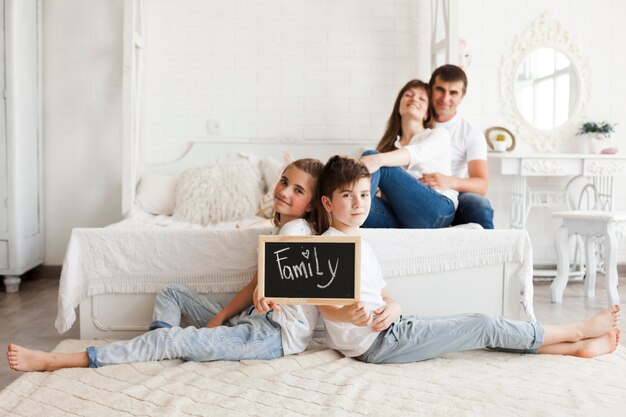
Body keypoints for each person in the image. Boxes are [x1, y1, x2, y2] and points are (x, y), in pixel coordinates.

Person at [7, 158, 325, 372]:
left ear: (312, 203)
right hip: (254, 317)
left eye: (297, 190)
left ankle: (60, 360)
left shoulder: (294, 231)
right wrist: (222, 315)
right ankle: (159, 345)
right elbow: (260, 282)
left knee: (172, 338)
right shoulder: (282, 228)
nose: (283, 191)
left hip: (270, 334)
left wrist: (264, 297)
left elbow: (282, 279)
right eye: (284, 181)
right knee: (172, 293)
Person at [317, 155, 621, 364]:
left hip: (392, 327)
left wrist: (393, 306)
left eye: (365, 194)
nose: (359, 203)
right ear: (328, 202)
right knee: (481, 324)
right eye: (347, 196)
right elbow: (328, 306)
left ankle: (573, 348)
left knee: (472, 326)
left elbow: (382, 294)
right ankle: (575, 331)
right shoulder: (329, 245)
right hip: (377, 344)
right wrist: (350, 316)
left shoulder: (362, 243)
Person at [360, 79, 457, 228]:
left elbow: (416, 153)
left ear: (427, 113)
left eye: (422, 98)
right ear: (399, 107)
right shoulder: (388, 147)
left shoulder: (438, 135)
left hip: (437, 208)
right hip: (404, 215)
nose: (414, 99)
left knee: (374, 158)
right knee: (354, 210)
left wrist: (378, 159)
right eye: (408, 95)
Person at [425, 64, 494, 229]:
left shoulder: (470, 132)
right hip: (418, 191)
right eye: (440, 89)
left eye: (453, 93)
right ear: (430, 89)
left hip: (452, 193)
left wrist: (449, 182)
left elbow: (481, 184)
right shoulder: (416, 119)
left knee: (479, 204)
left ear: (462, 95)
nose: (445, 98)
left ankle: (488, 253)